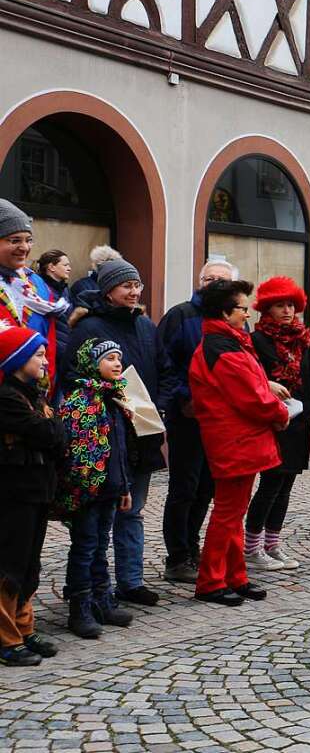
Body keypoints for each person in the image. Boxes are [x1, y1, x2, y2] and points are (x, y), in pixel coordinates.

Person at [63, 259, 174, 607]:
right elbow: (74, 377)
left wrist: (159, 405)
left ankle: (131, 581)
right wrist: (111, 399)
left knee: (133, 510)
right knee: (93, 520)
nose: (135, 291)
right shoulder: (88, 327)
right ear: (108, 289)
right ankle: (89, 588)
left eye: (137, 284)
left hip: (141, 433)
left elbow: (166, 369)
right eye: (127, 285)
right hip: (102, 435)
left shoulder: (145, 325)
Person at [189, 280, 290, 606]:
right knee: (228, 514)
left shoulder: (228, 342)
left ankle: (234, 576)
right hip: (234, 438)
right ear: (224, 312)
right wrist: (280, 412)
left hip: (237, 437)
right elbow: (252, 397)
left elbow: (253, 387)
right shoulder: (222, 347)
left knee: (232, 511)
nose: (247, 314)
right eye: (242, 308)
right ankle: (211, 581)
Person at [157, 259, 237, 583]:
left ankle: (192, 547)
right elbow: (164, 363)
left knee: (206, 487)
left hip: (220, 419)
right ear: (199, 280)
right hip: (187, 416)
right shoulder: (180, 315)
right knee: (184, 488)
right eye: (209, 278)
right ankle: (177, 557)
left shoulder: (232, 320)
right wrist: (182, 396)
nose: (215, 283)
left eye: (222, 280)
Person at [58, 339, 135, 638]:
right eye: (110, 359)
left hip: (111, 487)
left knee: (101, 545)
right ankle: (80, 608)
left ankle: (102, 599)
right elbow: (76, 452)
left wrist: (124, 486)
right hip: (88, 491)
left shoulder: (113, 397)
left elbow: (119, 449)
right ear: (93, 364)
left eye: (119, 357)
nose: (117, 363)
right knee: (85, 547)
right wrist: (83, 488)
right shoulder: (80, 401)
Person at [245, 277, 310, 571]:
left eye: (291, 305)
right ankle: (252, 547)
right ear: (267, 308)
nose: (287, 310)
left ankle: (272, 544)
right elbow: (254, 379)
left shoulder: (302, 337)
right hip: (274, 422)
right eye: (280, 305)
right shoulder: (258, 339)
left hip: (298, 422)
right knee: (271, 484)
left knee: (286, 485)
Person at [0, 326, 64, 666]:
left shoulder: (33, 395)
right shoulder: (7, 397)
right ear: (18, 359)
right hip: (15, 491)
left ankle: (24, 628)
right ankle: (6, 639)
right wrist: (53, 428)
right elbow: (46, 432)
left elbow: (56, 436)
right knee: (9, 564)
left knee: (29, 563)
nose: (44, 360)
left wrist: (53, 430)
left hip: (38, 489)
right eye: (37, 355)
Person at [0, 200, 69, 396]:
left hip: (32, 395)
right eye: (14, 240)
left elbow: (50, 342)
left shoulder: (36, 284)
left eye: (28, 240)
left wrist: (46, 394)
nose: (24, 247)